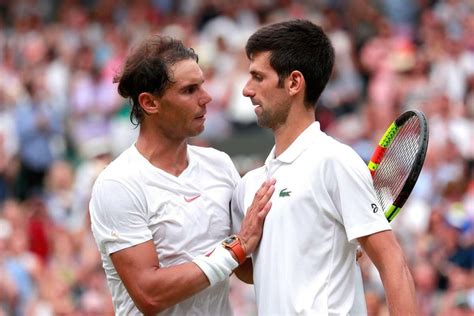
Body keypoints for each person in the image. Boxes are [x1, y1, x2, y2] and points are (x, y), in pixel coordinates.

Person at [231, 19, 418, 315]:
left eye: (258, 77)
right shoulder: (250, 184)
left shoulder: (334, 161)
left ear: (294, 82)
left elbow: (393, 264)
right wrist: (241, 245)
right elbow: (255, 272)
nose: (246, 90)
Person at [89, 35, 275, 315]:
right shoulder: (118, 184)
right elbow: (149, 294)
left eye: (202, 85)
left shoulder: (220, 164)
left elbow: (247, 269)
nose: (206, 98)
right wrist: (236, 249)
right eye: (190, 90)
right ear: (150, 103)